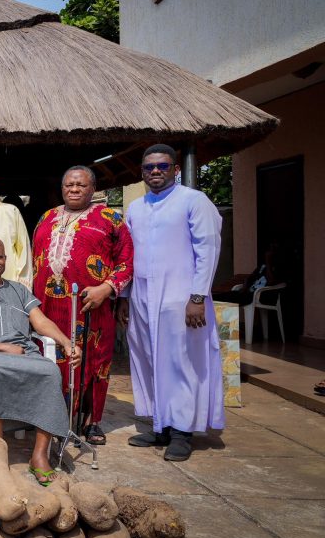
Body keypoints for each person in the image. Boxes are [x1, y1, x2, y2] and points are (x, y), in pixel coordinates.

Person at [118, 144, 224, 462]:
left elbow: (208, 249)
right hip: (141, 297)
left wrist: (197, 297)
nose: (155, 172)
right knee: (148, 360)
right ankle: (160, 425)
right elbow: (128, 255)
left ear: (174, 168)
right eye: (149, 167)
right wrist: (123, 298)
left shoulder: (194, 201)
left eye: (162, 166)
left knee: (182, 363)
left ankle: (182, 432)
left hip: (181, 297)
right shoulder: (136, 209)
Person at [0, 236, 79, 485]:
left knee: (51, 371)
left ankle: (39, 456)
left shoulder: (19, 290)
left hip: (24, 351)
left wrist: (66, 342)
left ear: (5, 259)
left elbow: (40, 322)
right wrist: (2, 348)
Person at [32, 166, 134, 445]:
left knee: (93, 362)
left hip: (91, 308)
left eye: (80, 185)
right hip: (51, 308)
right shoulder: (47, 216)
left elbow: (126, 263)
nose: (74, 189)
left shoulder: (110, 219)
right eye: (69, 185)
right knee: (51, 360)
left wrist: (107, 288)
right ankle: (53, 417)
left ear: (93, 189)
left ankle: (91, 421)